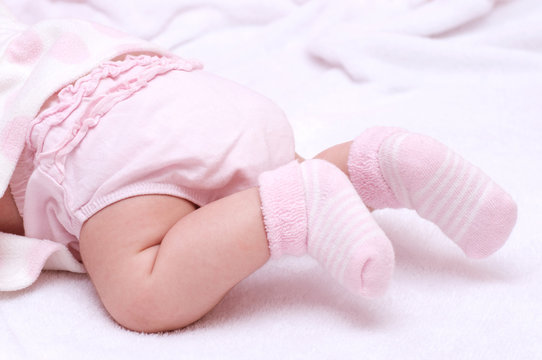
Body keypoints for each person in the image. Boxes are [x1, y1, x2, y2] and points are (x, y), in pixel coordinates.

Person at [0, 5, 517, 333]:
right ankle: (375, 167)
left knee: (143, 294)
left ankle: (292, 207)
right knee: (236, 197)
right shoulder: (29, 35)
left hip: (103, 144)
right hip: (202, 97)